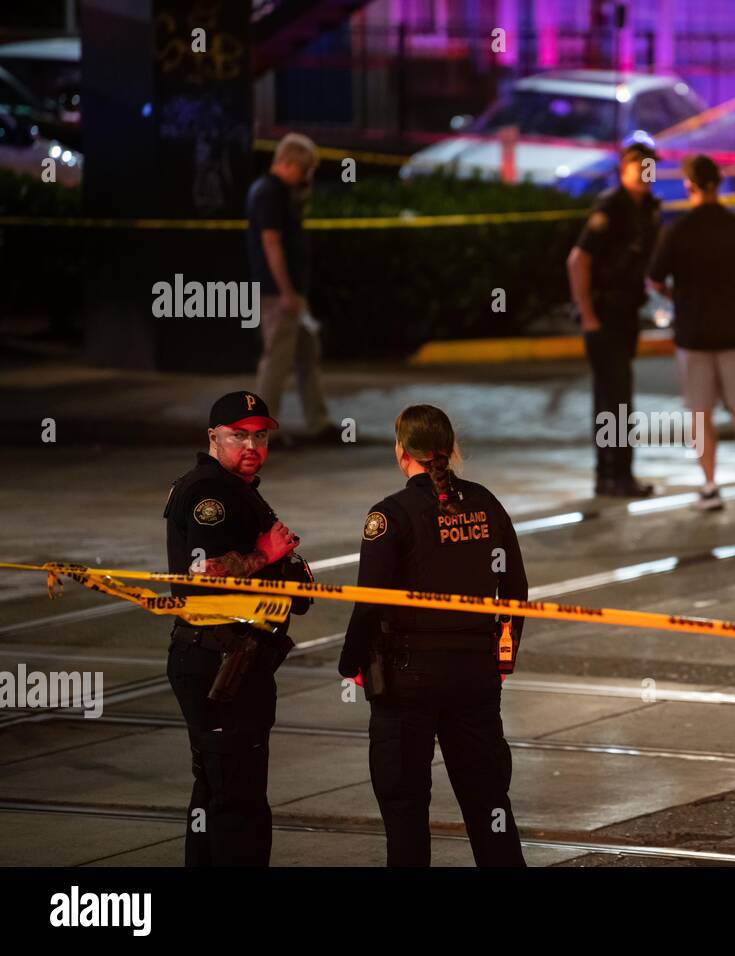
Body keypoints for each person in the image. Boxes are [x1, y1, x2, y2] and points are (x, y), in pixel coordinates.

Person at [338, 405, 528, 867]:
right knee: (489, 801)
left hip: (408, 679)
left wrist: (352, 665)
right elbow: (515, 590)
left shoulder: (390, 516)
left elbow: (371, 601)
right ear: (451, 450)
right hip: (475, 674)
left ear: (402, 452)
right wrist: (504, 654)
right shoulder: (485, 502)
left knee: (405, 807)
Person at [163, 390, 310, 866]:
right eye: (238, 437)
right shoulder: (210, 493)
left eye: (260, 437)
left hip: (231, 659)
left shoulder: (235, 487)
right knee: (238, 801)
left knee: (218, 790)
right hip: (221, 662)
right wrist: (266, 555)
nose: (252, 447)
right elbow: (204, 574)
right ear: (213, 437)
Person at [647, 154, 735, 511]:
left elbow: (655, 279)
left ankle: (709, 487)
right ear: (718, 184)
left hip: (693, 334)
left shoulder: (678, 231)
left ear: (689, 186)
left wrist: (677, 297)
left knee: (700, 414)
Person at [566, 138, 661, 497]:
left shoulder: (648, 207)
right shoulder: (611, 206)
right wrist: (588, 316)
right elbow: (578, 260)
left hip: (626, 314)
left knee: (618, 397)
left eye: (650, 164)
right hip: (604, 314)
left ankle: (614, 474)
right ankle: (613, 474)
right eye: (640, 165)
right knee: (613, 398)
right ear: (625, 169)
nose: (647, 172)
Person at [247, 132, 332, 443]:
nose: (307, 176)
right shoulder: (268, 193)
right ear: (290, 162)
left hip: (291, 293)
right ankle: (260, 432)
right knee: (277, 361)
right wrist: (285, 291)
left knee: (307, 354)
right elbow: (272, 244)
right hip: (278, 294)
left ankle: (318, 423)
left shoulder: (280, 193)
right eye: (306, 169)